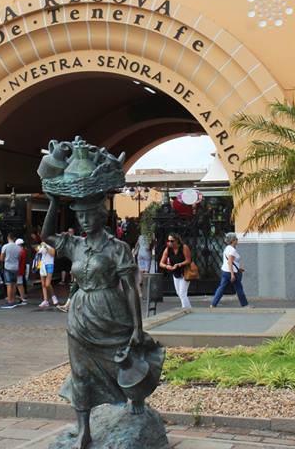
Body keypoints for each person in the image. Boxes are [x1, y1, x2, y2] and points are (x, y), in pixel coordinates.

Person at [42, 192, 163, 449]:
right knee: (80, 372)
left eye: (90, 214)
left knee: (124, 360)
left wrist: (138, 327)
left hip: (111, 311)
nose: (85, 220)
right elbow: (46, 236)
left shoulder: (116, 248)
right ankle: (84, 430)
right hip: (80, 315)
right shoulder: (75, 244)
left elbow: (131, 288)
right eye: (80, 215)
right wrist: (53, 203)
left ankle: (136, 397)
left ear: (101, 216)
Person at [211, 234, 249, 308]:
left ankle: (213, 304)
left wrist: (238, 268)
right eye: (236, 239)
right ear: (233, 241)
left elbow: (231, 262)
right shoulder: (232, 250)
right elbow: (230, 262)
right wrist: (232, 274)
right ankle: (245, 305)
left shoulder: (227, 248)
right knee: (239, 288)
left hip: (225, 271)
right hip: (232, 272)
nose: (237, 240)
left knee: (221, 287)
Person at [159, 233, 193, 310]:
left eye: (172, 241)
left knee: (182, 293)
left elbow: (188, 260)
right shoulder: (168, 249)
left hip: (185, 272)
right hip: (176, 273)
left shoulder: (184, 247)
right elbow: (161, 263)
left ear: (177, 240)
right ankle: (189, 309)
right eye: (168, 241)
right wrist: (167, 266)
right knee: (179, 293)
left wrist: (179, 264)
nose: (170, 242)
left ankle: (185, 309)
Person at [0, 235, 23, 308]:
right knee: (14, 284)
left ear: (8, 238)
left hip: (8, 266)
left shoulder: (5, 246)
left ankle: (10, 301)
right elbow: (19, 258)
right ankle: (13, 300)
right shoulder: (18, 248)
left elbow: (1, 258)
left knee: (9, 284)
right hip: (15, 266)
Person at [37, 240, 59, 308]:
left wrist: (46, 246)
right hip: (42, 264)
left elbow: (52, 254)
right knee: (43, 284)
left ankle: (53, 296)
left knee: (47, 284)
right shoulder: (42, 243)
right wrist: (38, 248)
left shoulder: (52, 244)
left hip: (49, 264)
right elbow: (38, 252)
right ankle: (45, 300)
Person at [16, 237, 29, 302]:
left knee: (19, 284)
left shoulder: (21, 252)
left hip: (19, 270)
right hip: (21, 269)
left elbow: (18, 260)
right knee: (20, 284)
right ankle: (22, 296)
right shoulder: (24, 251)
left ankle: (22, 297)